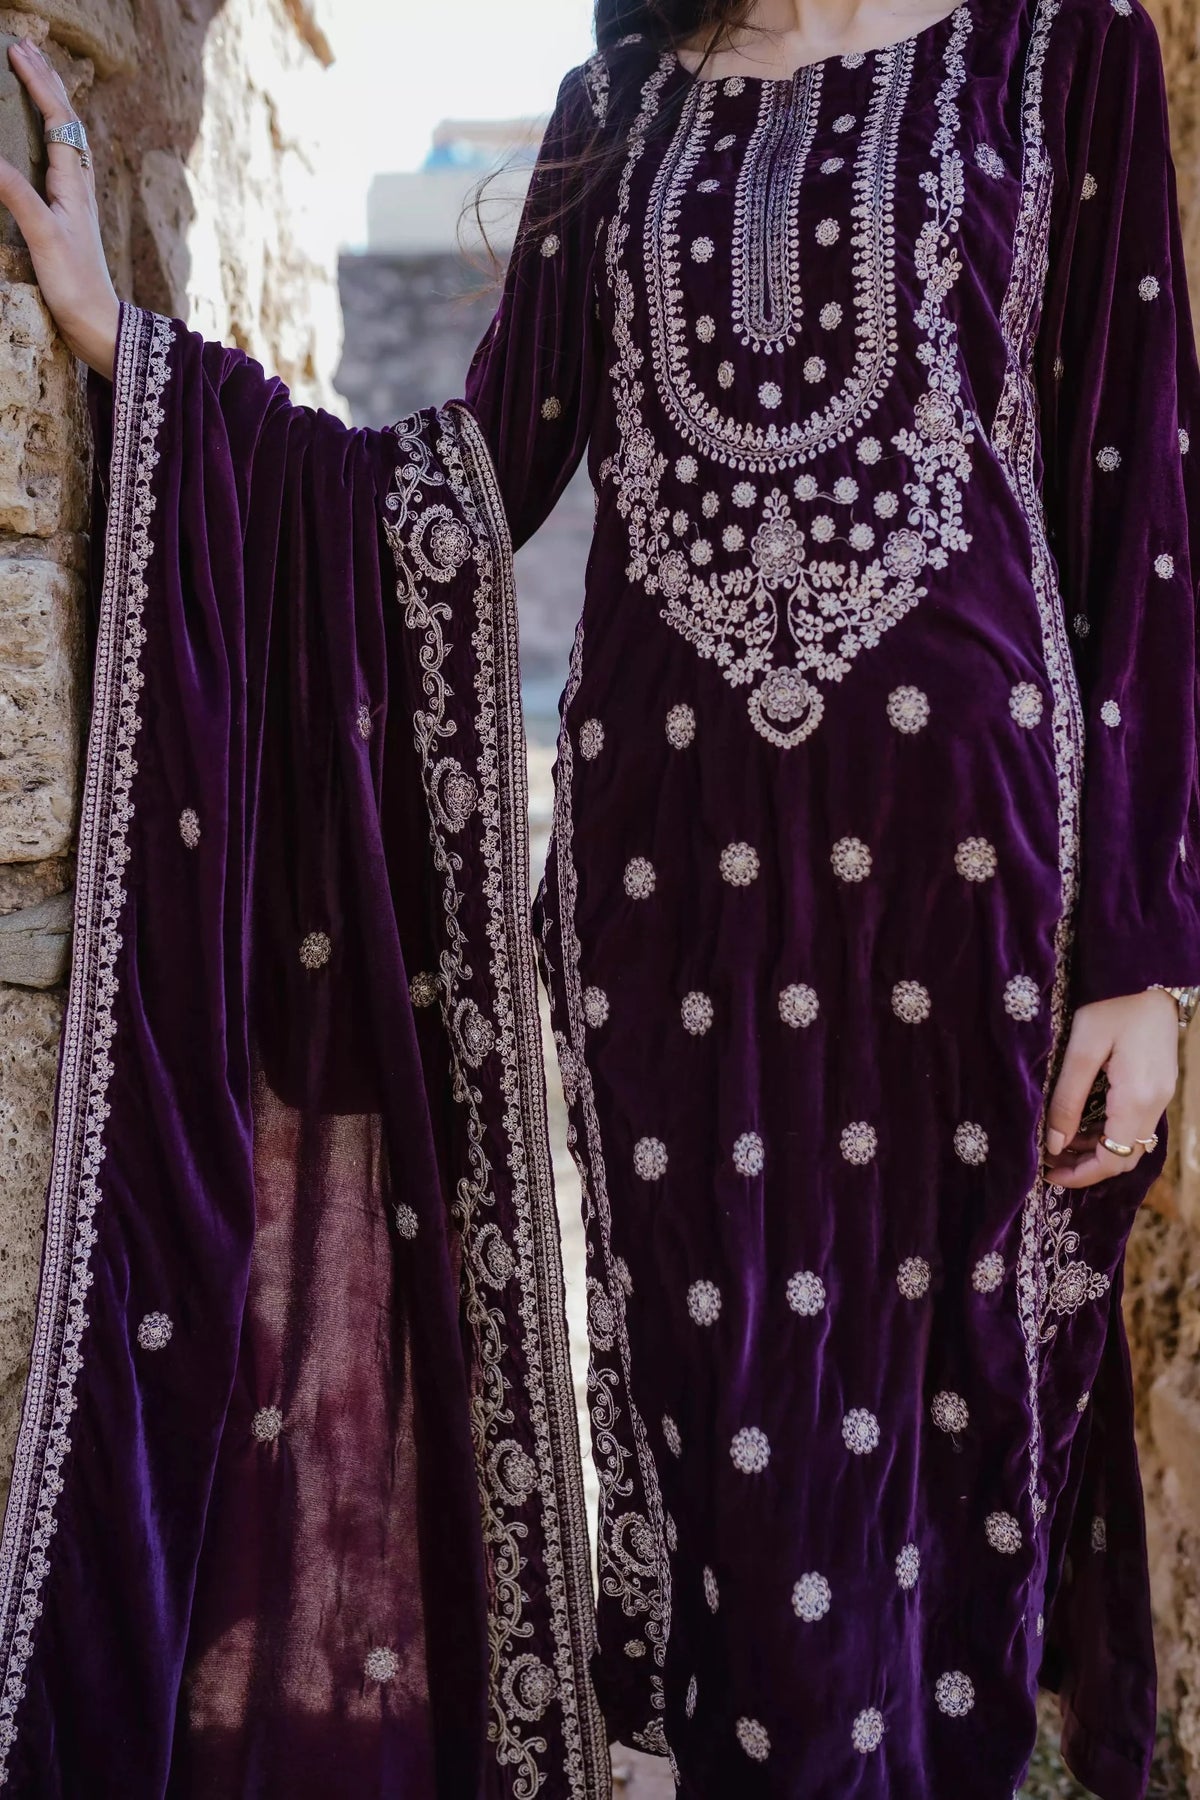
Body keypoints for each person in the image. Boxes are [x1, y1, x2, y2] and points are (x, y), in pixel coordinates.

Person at [0, 0, 1195, 1793]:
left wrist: (1147, 960)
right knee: (748, 1519)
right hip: (670, 927)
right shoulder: (619, 103)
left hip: (972, 922)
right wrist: (140, 357)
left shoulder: (1064, 52)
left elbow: (1142, 505)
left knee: (941, 1506)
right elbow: (457, 494)